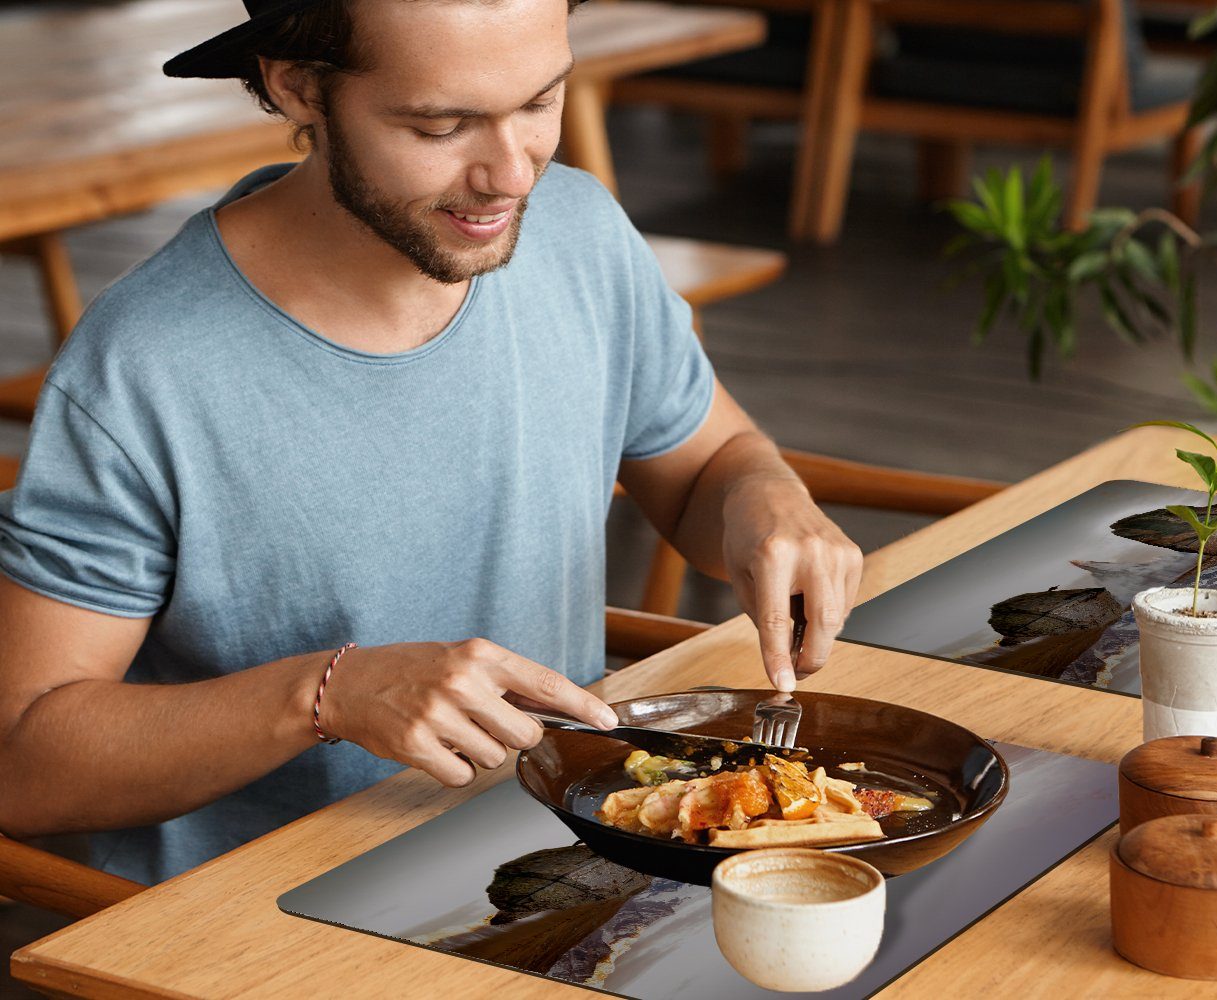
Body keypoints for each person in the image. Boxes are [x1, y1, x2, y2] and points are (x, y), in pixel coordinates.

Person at [0, 0, 862, 885]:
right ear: (295, 84)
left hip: (561, 869)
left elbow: (706, 468)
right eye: (441, 125)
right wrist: (327, 695)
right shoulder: (144, 364)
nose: (511, 175)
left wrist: (768, 499)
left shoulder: (578, 231)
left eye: (539, 102)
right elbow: (24, 765)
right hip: (264, 928)